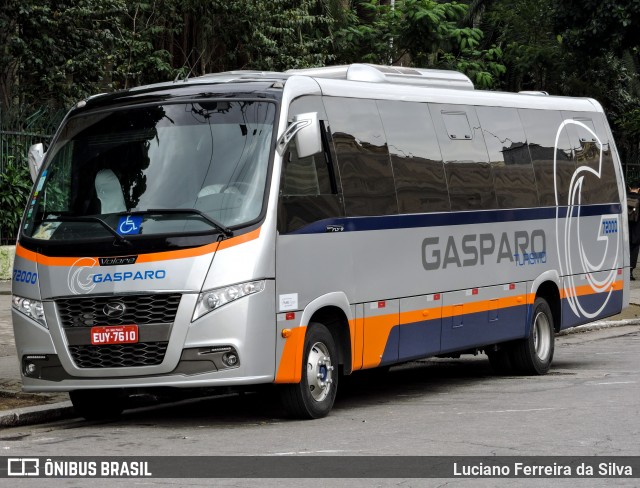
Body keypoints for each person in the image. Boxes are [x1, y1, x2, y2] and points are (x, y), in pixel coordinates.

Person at [628, 182, 640, 280]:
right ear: (638, 189)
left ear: (629, 188)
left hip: (625, 229)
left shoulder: (624, 198)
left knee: (625, 250)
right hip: (637, 230)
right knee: (634, 250)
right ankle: (630, 272)